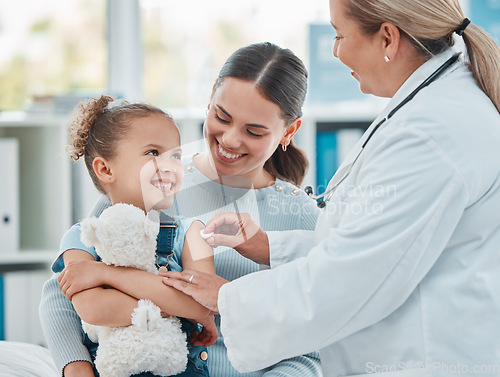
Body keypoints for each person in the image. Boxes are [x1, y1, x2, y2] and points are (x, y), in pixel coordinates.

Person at [161, 1, 500, 376]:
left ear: (387, 38)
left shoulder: (430, 133)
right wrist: (268, 246)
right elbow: (375, 246)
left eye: (339, 35)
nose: (335, 51)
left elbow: (351, 279)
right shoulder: (432, 109)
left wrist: (226, 297)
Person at [39, 42, 323, 377]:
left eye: (254, 131)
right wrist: (76, 366)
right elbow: (62, 291)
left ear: (289, 131)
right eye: (222, 117)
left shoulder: (299, 216)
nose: (230, 140)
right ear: (209, 100)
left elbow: (309, 347)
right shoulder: (150, 182)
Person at [41, 95, 217, 377]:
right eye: (152, 153)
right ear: (106, 169)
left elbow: (200, 304)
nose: (170, 165)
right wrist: (174, 307)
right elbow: (93, 308)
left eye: (175, 155)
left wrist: (106, 275)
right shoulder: (82, 237)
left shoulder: (193, 233)